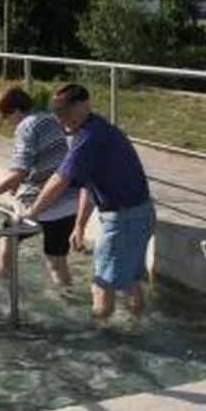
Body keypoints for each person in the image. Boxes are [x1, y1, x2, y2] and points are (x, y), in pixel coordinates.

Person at [21, 84, 154, 319]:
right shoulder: (96, 129)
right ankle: (137, 324)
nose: (63, 119)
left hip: (123, 219)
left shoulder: (90, 136)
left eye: (66, 111)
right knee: (131, 281)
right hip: (141, 213)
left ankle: (100, 338)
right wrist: (80, 225)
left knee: (101, 285)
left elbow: (60, 179)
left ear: (84, 104)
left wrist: (32, 211)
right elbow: (88, 184)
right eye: (58, 113)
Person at [0, 86, 79, 286]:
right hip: (69, 202)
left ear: (15, 111)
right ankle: (68, 299)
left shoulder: (26, 126)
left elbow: (19, 172)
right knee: (57, 261)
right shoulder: (51, 118)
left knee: (7, 239)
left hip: (40, 204)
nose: (6, 121)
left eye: (5, 116)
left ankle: (5, 289)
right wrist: (18, 181)